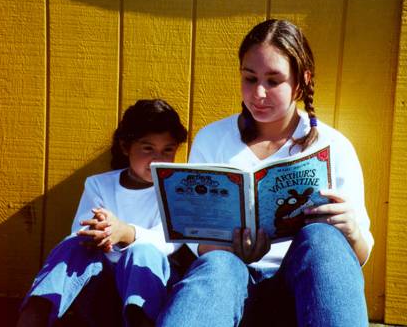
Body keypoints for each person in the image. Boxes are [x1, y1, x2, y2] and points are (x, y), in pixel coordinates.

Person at [156, 19, 374, 327]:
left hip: (302, 290)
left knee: (322, 238)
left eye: (273, 81)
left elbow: (357, 257)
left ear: (301, 81)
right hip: (231, 286)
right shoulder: (212, 139)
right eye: (250, 78)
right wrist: (233, 250)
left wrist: (351, 230)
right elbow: (198, 241)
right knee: (218, 263)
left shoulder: (334, 146)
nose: (258, 93)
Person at [17, 99, 187, 327]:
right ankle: (36, 314)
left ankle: (140, 322)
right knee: (74, 245)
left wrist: (125, 233)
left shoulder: (175, 188)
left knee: (143, 250)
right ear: (126, 147)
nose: (158, 159)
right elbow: (82, 230)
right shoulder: (99, 185)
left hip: (148, 288)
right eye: (148, 148)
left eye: (168, 150)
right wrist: (100, 234)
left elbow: (168, 242)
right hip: (100, 288)